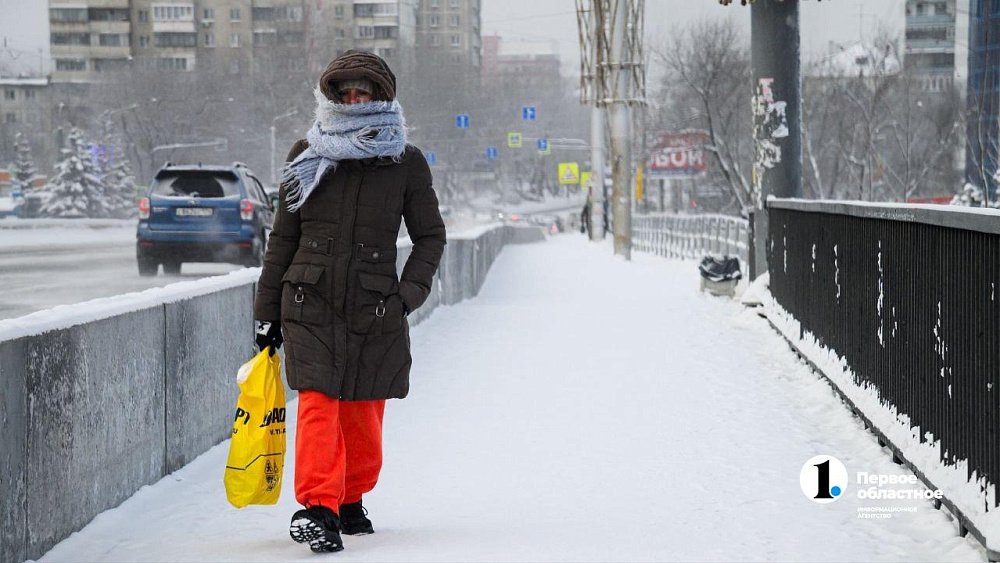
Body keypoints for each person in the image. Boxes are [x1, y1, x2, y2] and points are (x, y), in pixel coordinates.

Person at [253, 50, 446, 554]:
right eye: (346, 92)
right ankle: (317, 506)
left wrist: (407, 295)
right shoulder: (306, 153)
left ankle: (349, 498)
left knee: (362, 412)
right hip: (308, 299)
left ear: (382, 96)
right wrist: (266, 313)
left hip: (375, 304)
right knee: (318, 402)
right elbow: (282, 240)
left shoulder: (405, 160)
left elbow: (430, 237)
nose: (354, 99)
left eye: (364, 92)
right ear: (333, 95)